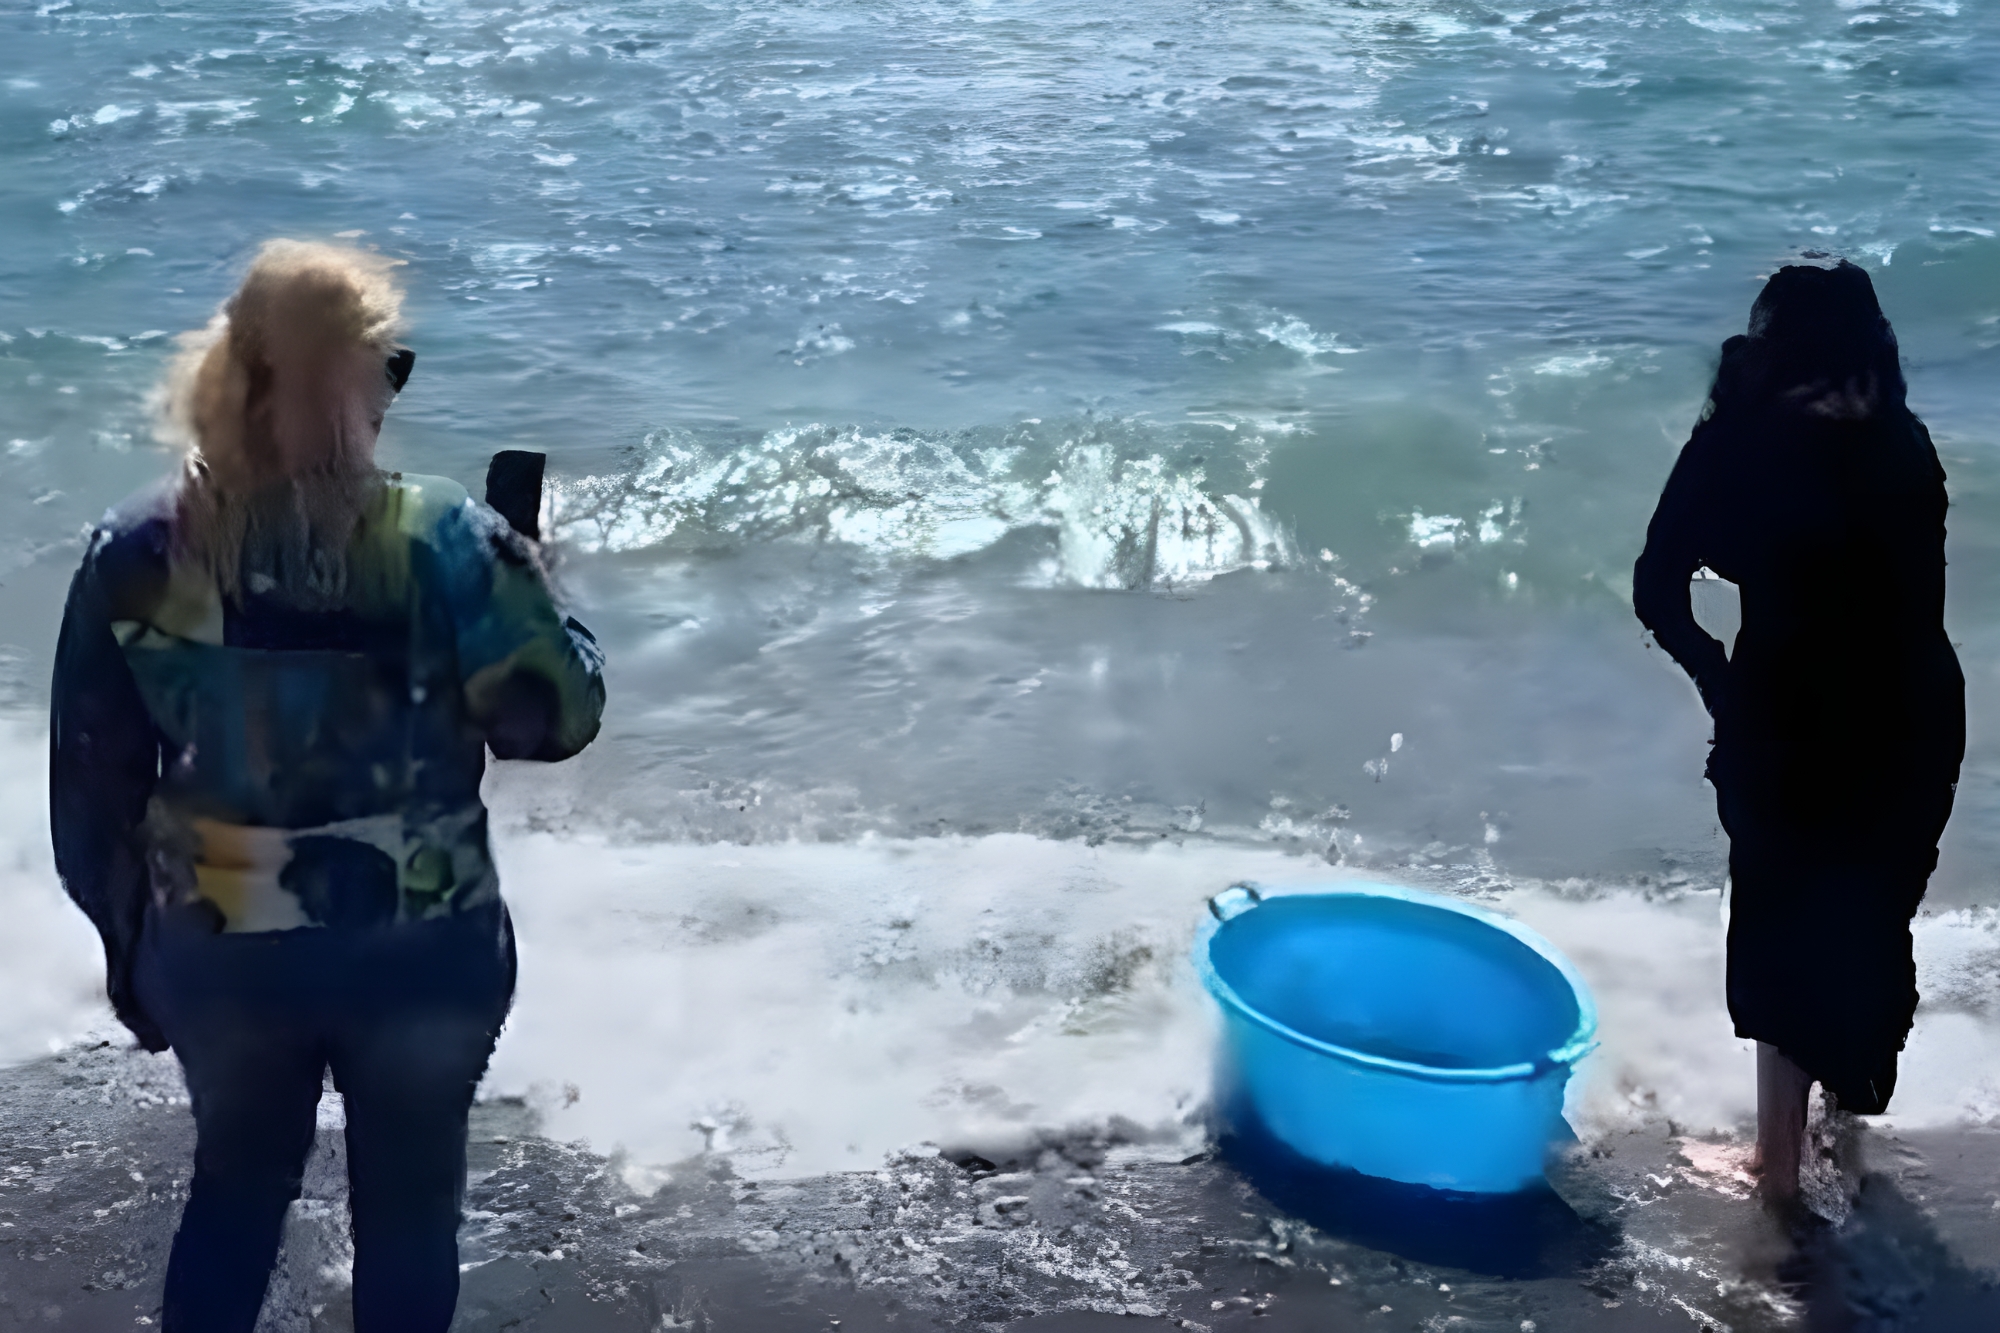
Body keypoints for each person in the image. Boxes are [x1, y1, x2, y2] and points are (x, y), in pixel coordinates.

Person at [49, 240, 606, 1331]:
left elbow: (90, 782)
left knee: (233, 1193)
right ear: (354, 383)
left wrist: (127, 947)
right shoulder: (451, 540)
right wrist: (542, 587)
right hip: (421, 941)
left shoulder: (136, 549)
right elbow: (551, 722)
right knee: (409, 1215)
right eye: (387, 367)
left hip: (222, 946)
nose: (391, 393)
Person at [1633, 261, 1963, 1207]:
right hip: (1913, 720)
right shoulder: (1906, 444)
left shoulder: (1743, 442)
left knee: (1780, 925)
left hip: (1787, 717)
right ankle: (1845, 1129)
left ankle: (1777, 1172)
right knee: (1871, 915)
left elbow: (1658, 586)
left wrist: (1718, 682)